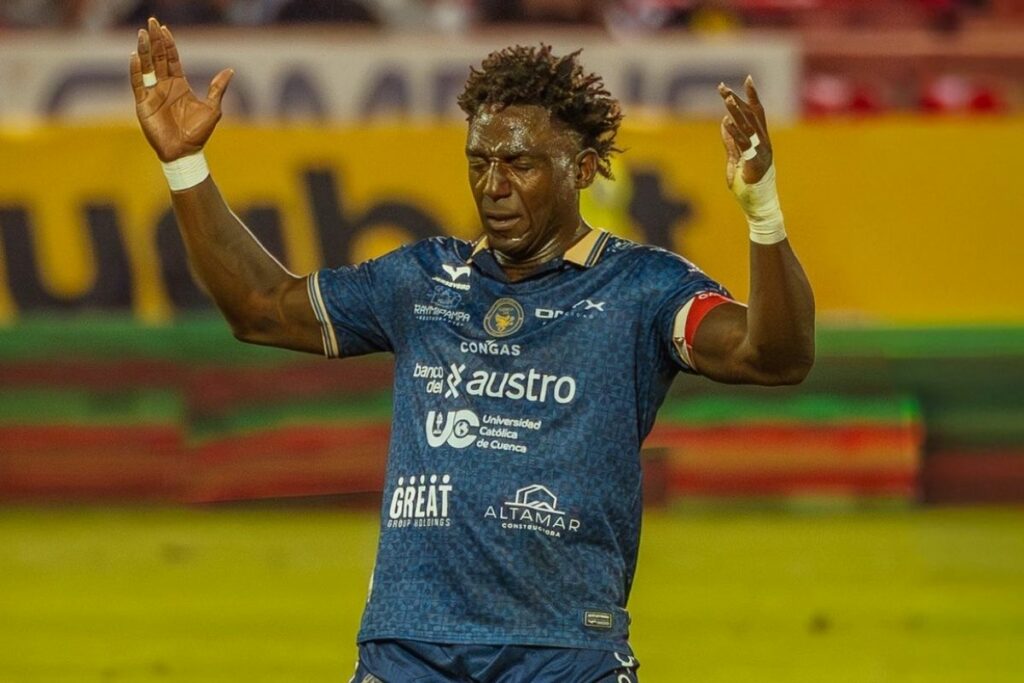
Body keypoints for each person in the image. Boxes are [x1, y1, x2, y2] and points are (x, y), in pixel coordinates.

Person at [131, 18, 814, 682]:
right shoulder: (421, 278)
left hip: (566, 649)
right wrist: (185, 164)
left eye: (519, 164)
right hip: (409, 649)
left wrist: (763, 213)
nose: (493, 186)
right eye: (479, 162)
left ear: (582, 169)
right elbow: (260, 308)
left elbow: (774, 355)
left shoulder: (643, 289)